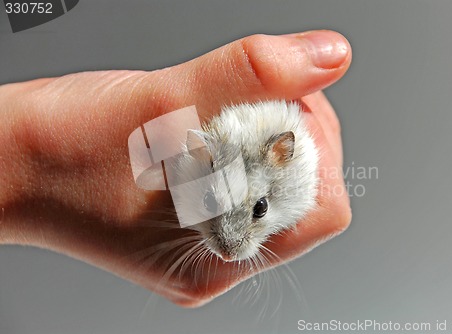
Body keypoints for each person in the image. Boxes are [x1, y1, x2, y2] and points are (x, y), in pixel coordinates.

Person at [0, 30, 352, 307]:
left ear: (281, 155)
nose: (228, 247)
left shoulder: (289, 154)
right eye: (212, 204)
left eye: (259, 208)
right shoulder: (204, 148)